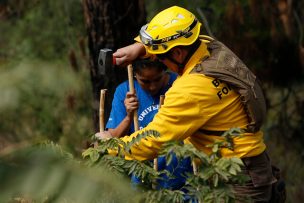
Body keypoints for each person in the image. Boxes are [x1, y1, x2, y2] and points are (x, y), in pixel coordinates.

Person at [97, 6, 277, 202]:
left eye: (162, 57)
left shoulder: (189, 90)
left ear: (179, 54)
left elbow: (153, 140)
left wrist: (111, 145)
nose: (160, 61)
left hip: (237, 181)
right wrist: (141, 47)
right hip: (249, 167)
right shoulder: (211, 49)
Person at [105, 58, 192, 190]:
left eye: (157, 79)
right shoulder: (125, 91)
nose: (152, 86)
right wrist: (129, 117)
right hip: (142, 177)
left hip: (183, 174)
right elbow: (112, 138)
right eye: (145, 81)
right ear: (135, 75)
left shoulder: (180, 85)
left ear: (165, 70)